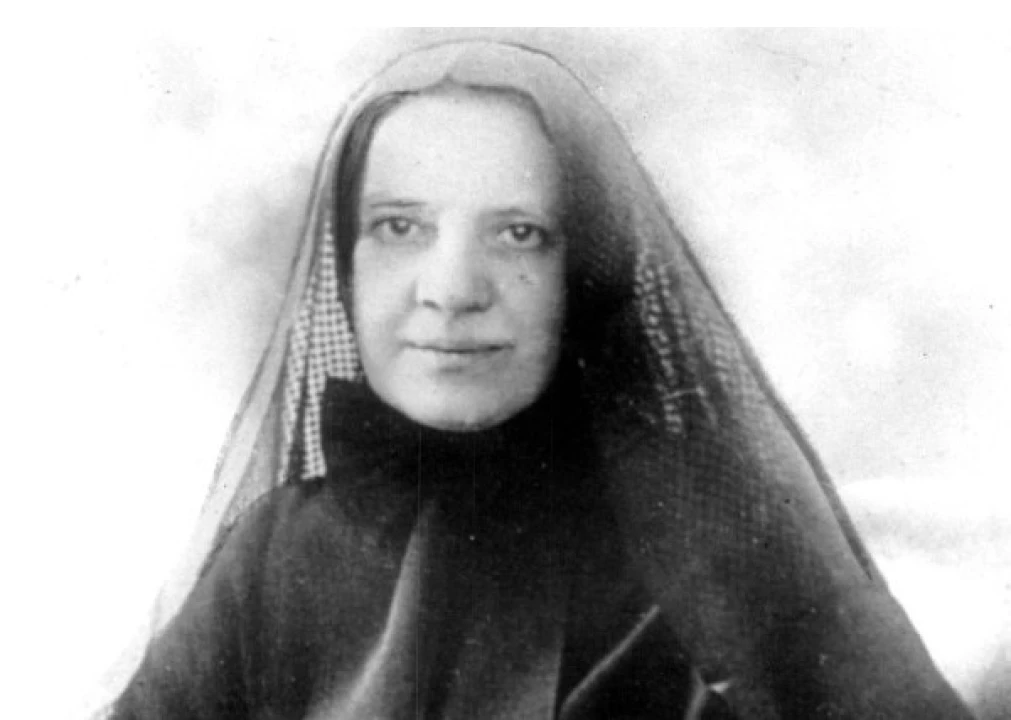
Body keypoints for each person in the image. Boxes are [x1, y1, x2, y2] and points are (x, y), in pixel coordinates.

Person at [108, 40, 975, 719]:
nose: (451, 290)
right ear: (345, 264)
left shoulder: (716, 546)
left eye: (518, 234)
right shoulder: (276, 552)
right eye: (400, 227)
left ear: (585, 272)